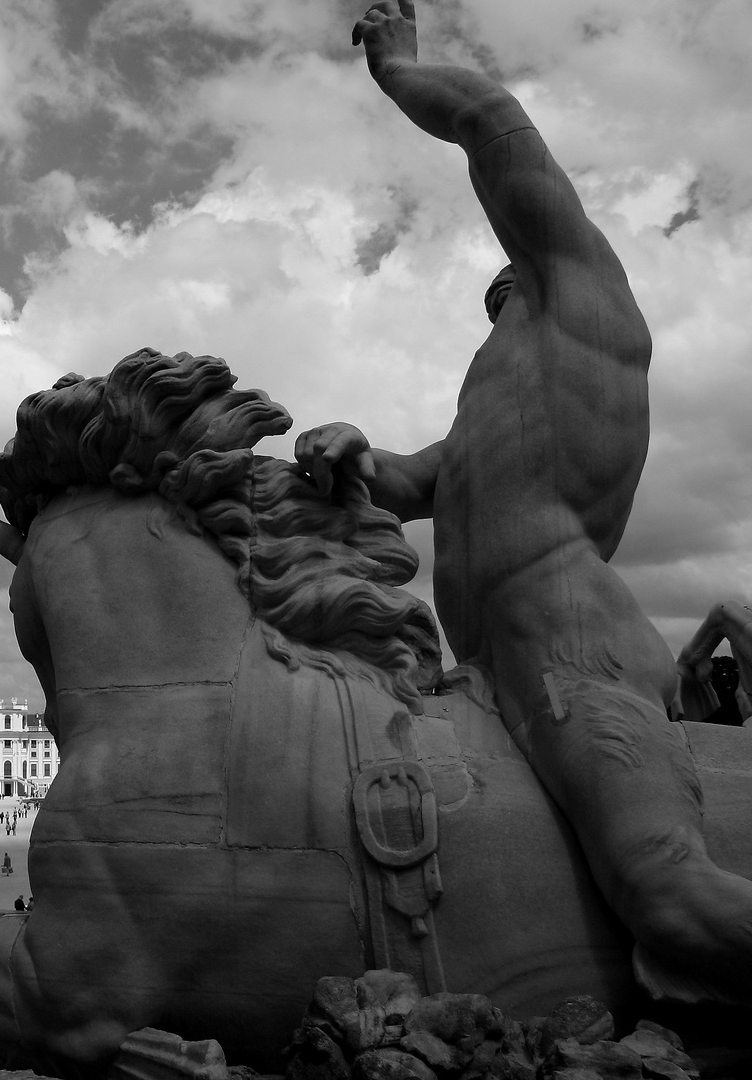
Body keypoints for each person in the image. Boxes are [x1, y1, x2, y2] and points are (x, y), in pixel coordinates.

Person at [294, 0, 752, 1004]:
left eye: (503, 286)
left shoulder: (585, 290)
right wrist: (349, 453)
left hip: (567, 644)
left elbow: (490, 121)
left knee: (668, 899)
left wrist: (401, 70)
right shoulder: (504, 390)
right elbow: (420, 481)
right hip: (484, 666)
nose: (492, 302)